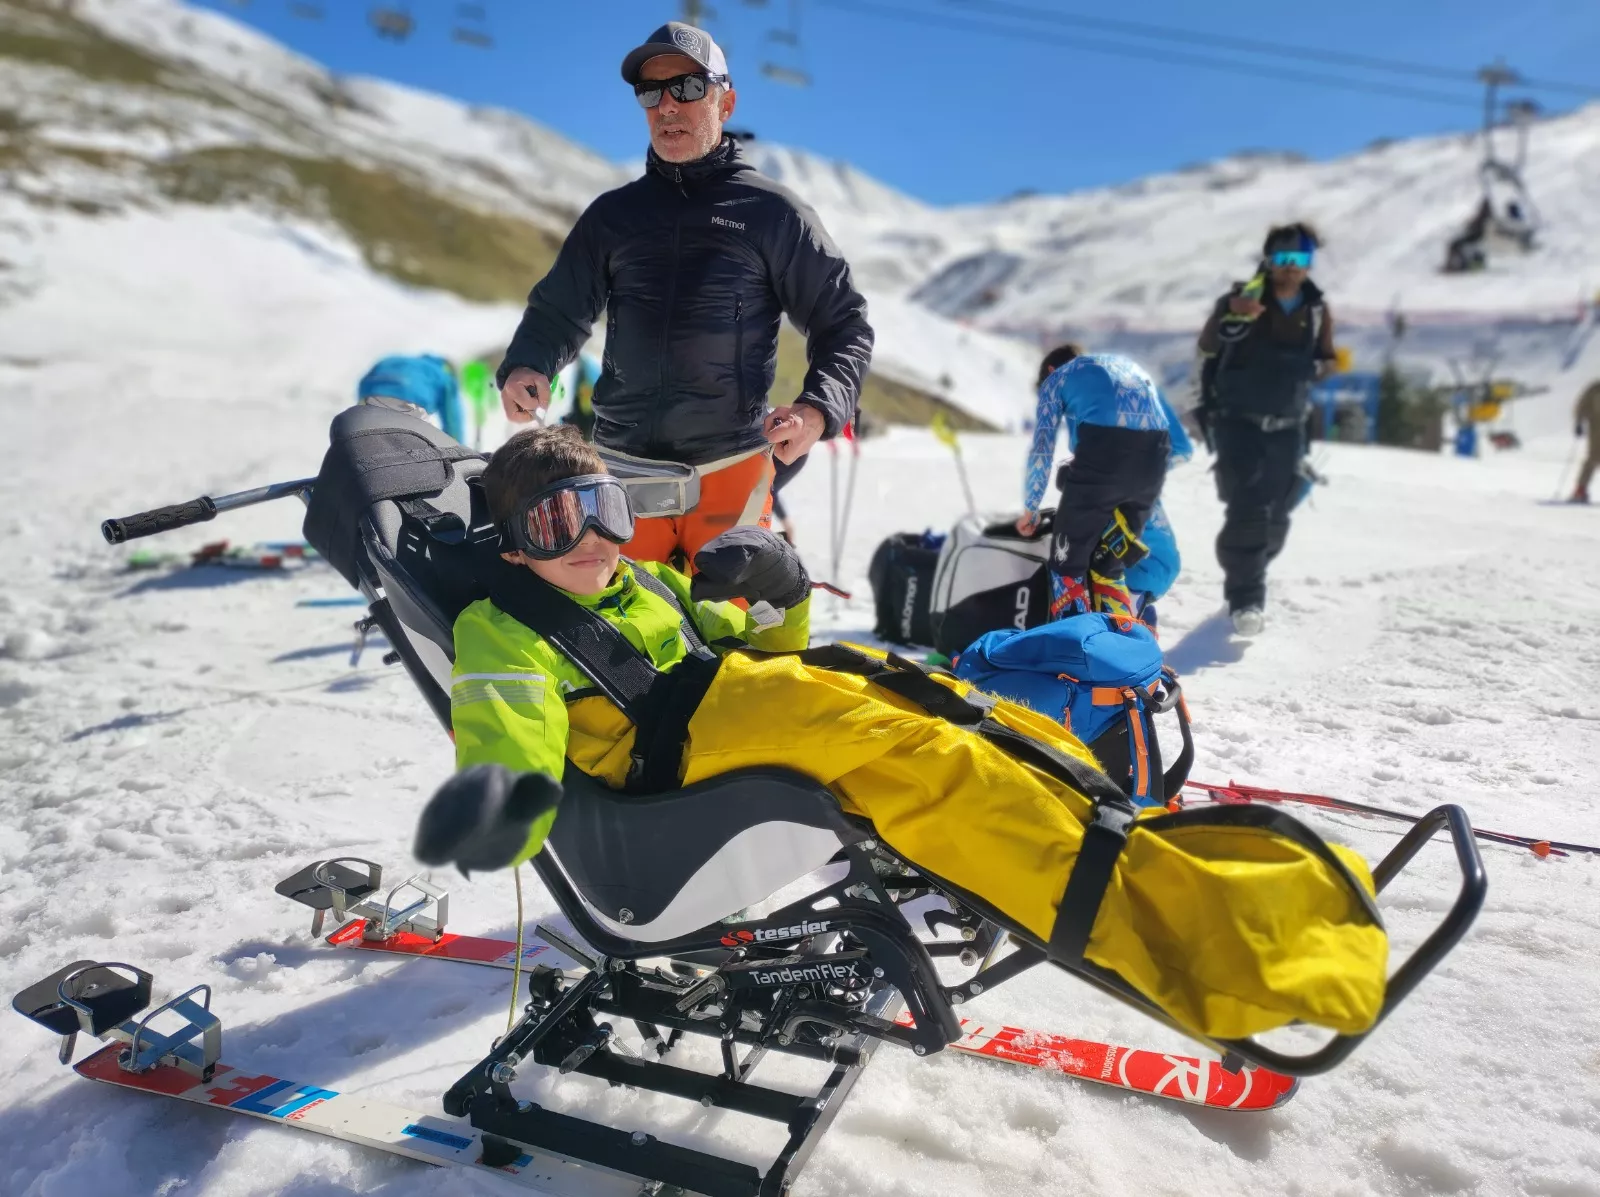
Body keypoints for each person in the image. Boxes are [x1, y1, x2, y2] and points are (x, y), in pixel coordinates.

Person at [410, 423, 1391, 1046]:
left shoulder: (640, 581)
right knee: (923, 756)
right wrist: (504, 792)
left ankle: (1119, 832)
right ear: (512, 541)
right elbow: (509, 721)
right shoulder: (503, 624)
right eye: (553, 524)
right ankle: (1152, 918)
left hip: (731, 708)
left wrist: (773, 600)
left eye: (604, 512)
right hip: (667, 778)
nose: (588, 539)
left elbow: (735, 646)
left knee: (943, 701)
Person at [494, 21, 873, 569]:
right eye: (651, 93)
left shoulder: (773, 214)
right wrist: (529, 363)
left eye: (688, 88)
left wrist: (818, 409)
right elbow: (559, 308)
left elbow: (844, 325)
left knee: (728, 636)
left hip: (731, 470)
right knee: (624, 636)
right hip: (621, 471)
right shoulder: (613, 216)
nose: (667, 106)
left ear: (726, 101)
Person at [1197, 222, 1337, 636]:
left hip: (1289, 425)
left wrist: (1310, 370)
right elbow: (1208, 346)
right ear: (1268, 260)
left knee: (1277, 516)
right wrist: (1232, 315)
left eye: (1300, 260)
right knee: (1249, 510)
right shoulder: (1242, 298)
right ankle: (1246, 599)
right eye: (1282, 259)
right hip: (1238, 423)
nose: (1290, 269)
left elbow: (1326, 359)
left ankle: (1246, 569)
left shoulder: (1315, 310)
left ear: (1309, 263)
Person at [1015, 348, 1171, 620]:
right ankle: (1121, 640)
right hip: (1156, 455)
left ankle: (1072, 646)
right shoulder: (1122, 363)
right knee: (1108, 564)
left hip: (1106, 451)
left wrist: (1031, 507)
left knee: (1066, 565)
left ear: (1050, 372)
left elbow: (1042, 449)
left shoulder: (1057, 378)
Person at [358, 354, 466, 443]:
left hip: (371, 398)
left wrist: (362, 406)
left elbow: (364, 382)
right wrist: (458, 450)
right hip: (409, 402)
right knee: (421, 443)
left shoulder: (392, 360)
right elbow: (452, 419)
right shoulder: (443, 374)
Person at [1571, 380, 1600, 503]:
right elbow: (1581, 405)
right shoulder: (1595, 389)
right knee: (1593, 458)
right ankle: (1580, 490)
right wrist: (1579, 422)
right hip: (1596, 429)